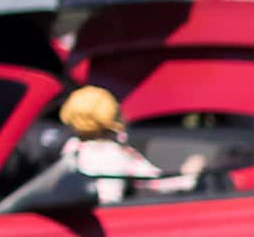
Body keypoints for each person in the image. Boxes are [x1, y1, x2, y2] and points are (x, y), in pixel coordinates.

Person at [56, 85, 202, 204]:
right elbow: (156, 182)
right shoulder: (117, 154)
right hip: (110, 219)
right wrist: (189, 174)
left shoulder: (72, 148)